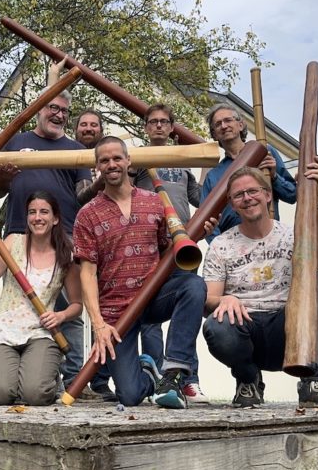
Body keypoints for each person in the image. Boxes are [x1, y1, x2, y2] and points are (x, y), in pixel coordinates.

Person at [201, 163, 318, 409]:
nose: (247, 198)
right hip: (246, 330)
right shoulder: (221, 245)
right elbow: (209, 299)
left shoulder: (292, 234)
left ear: (268, 194)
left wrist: (316, 199)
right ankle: (248, 380)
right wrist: (225, 300)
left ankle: (315, 380)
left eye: (253, 191)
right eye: (239, 195)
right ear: (232, 204)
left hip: (291, 326)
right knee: (216, 326)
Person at [73, 136, 208, 409]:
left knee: (194, 285)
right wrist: (98, 323)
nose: (111, 164)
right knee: (130, 396)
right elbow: (87, 274)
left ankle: (173, 370)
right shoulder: (87, 214)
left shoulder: (155, 202)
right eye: (105, 160)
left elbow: (168, 251)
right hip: (116, 314)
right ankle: (149, 375)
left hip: (152, 297)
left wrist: (199, 233)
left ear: (128, 161)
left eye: (117, 158)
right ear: (97, 166)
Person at [0, 81, 90, 386]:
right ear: (39, 109)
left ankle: (74, 378)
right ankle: (27, 375)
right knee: (24, 304)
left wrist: (101, 184)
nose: (59, 114)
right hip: (20, 236)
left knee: (69, 307)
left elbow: (84, 194)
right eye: (53, 108)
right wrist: (5, 178)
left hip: (65, 237)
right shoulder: (16, 140)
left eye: (64, 110)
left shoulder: (76, 150)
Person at [0, 191, 82, 405]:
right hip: (3, 332)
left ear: (55, 218)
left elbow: (77, 304)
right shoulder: (13, 242)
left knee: (35, 394)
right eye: (32, 212)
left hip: (40, 332)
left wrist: (60, 316)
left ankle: (43, 377)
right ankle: (26, 377)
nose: (37, 217)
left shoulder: (66, 254)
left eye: (44, 212)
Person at [131, 103, 209, 403]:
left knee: (189, 305)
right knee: (149, 315)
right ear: (146, 128)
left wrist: (205, 167)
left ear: (172, 127)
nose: (159, 126)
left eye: (165, 122)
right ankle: (157, 378)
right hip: (149, 243)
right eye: (153, 122)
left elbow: (199, 198)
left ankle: (189, 379)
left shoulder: (182, 160)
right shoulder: (138, 157)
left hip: (182, 245)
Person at [201, 103, 295, 243]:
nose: (224, 126)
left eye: (228, 120)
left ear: (240, 125)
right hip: (233, 245)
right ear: (214, 134)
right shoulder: (213, 176)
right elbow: (207, 220)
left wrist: (274, 177)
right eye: (218, 124)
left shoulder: (264, 152)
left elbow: (292, 195)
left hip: (271, 240)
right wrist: (221, 247)